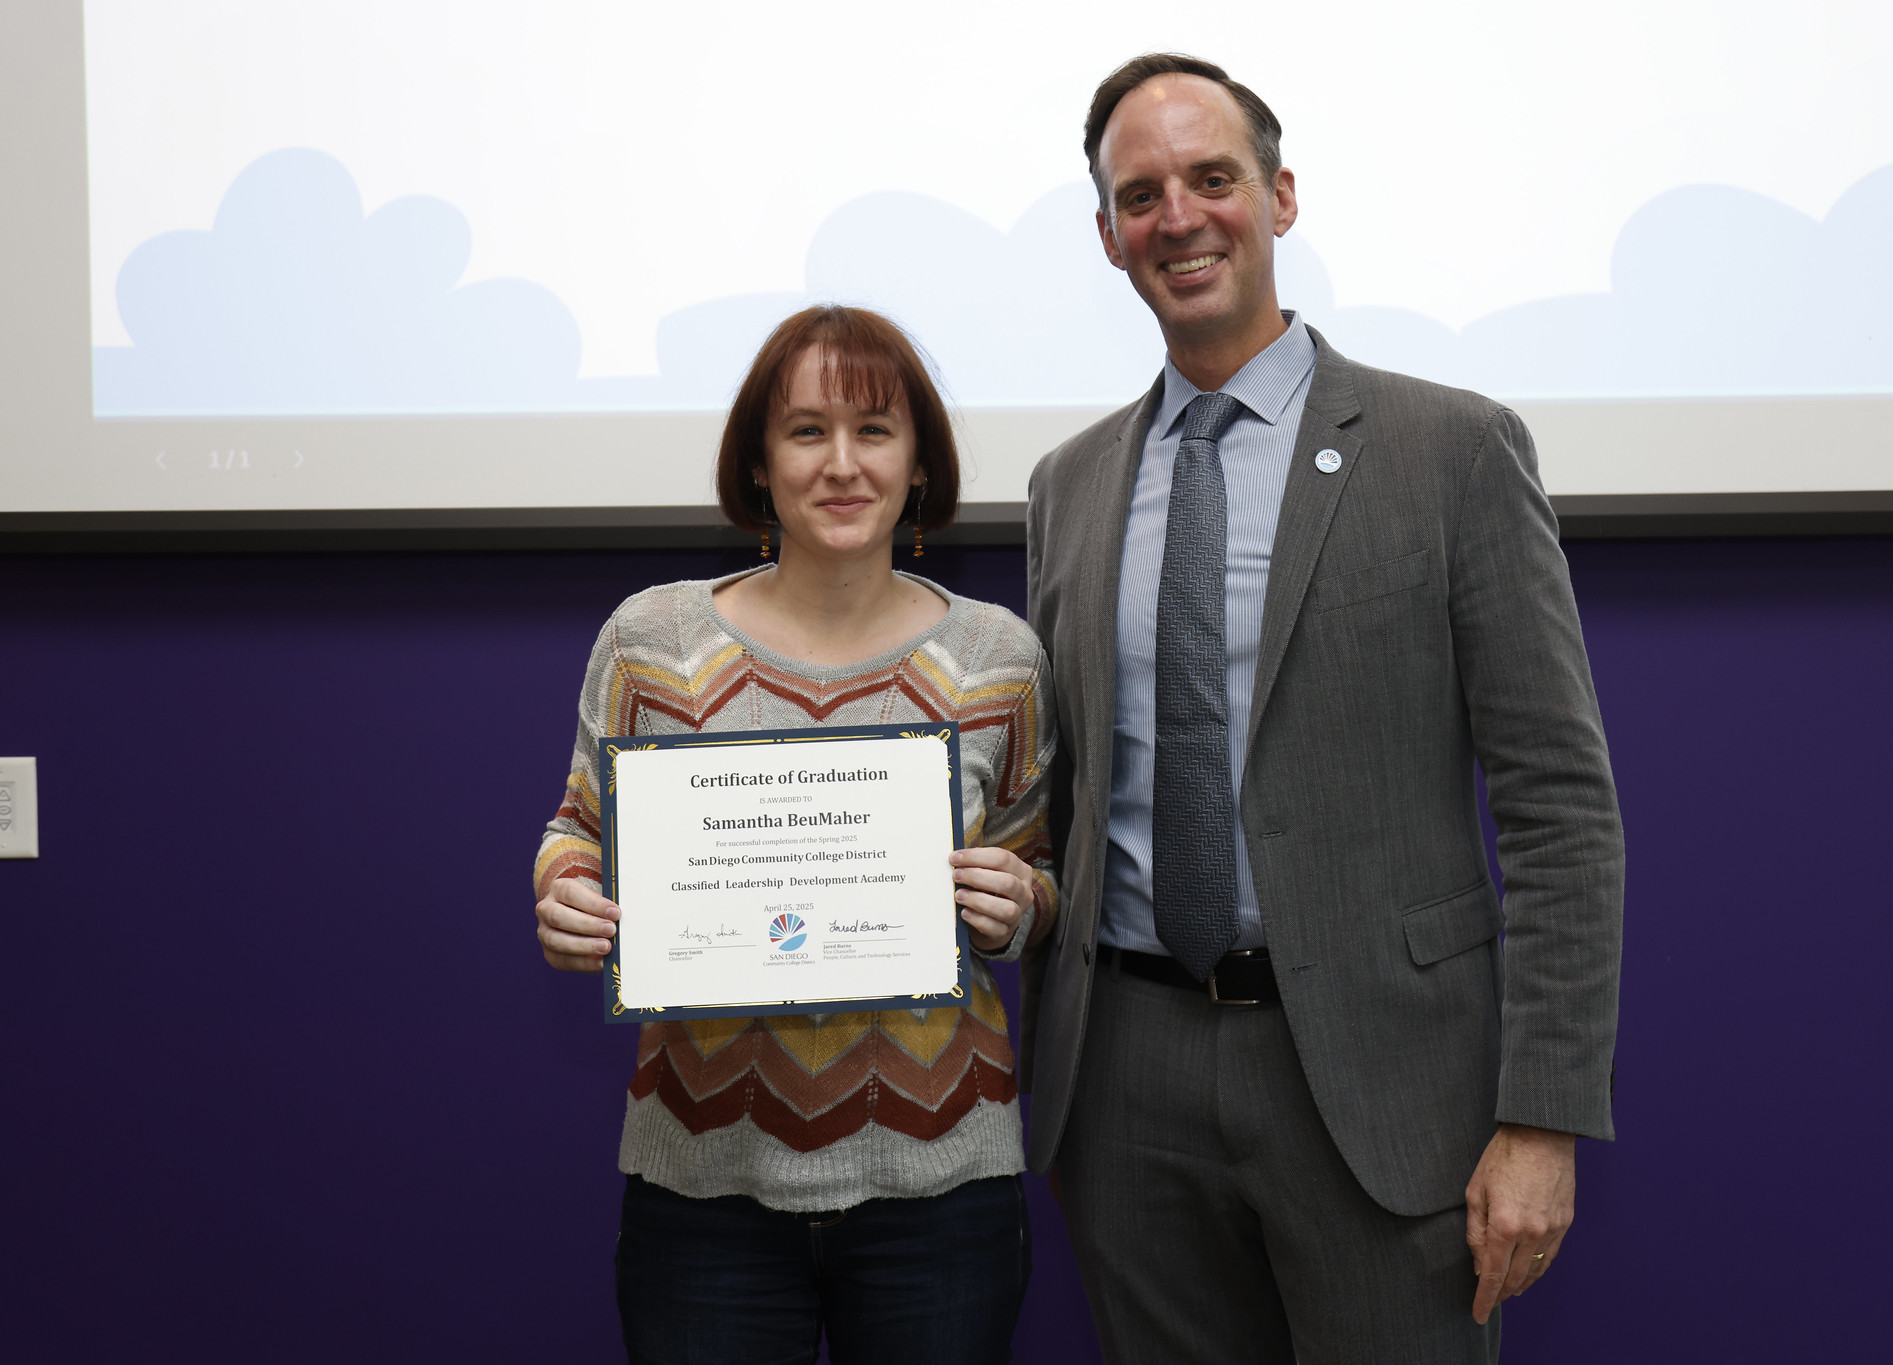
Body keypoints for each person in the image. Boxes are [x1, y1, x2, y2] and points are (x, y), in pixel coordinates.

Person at [1021, 54, 1625, 1363]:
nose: (1178, 216)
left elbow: (1561, 810)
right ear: (1111, 235)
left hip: (1376, 1082)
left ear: (1281, 196)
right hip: (1125, 1082)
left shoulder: (1450, 450)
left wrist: (1543, 1116)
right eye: (1140, 195)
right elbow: (1063, 802)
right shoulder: (1066, 488)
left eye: (1212, 178)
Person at [532, 305, 1058, 1365]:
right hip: (703, 1187)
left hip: (940, 1188)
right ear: (759, 464)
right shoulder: (651, 644)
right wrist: (566, 894)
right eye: (806, 431)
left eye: (873, 430)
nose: (841, 464)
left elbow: (1038, 869)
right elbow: (577, 827)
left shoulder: (996, 657)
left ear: (918, 464)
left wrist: (1023, 905)